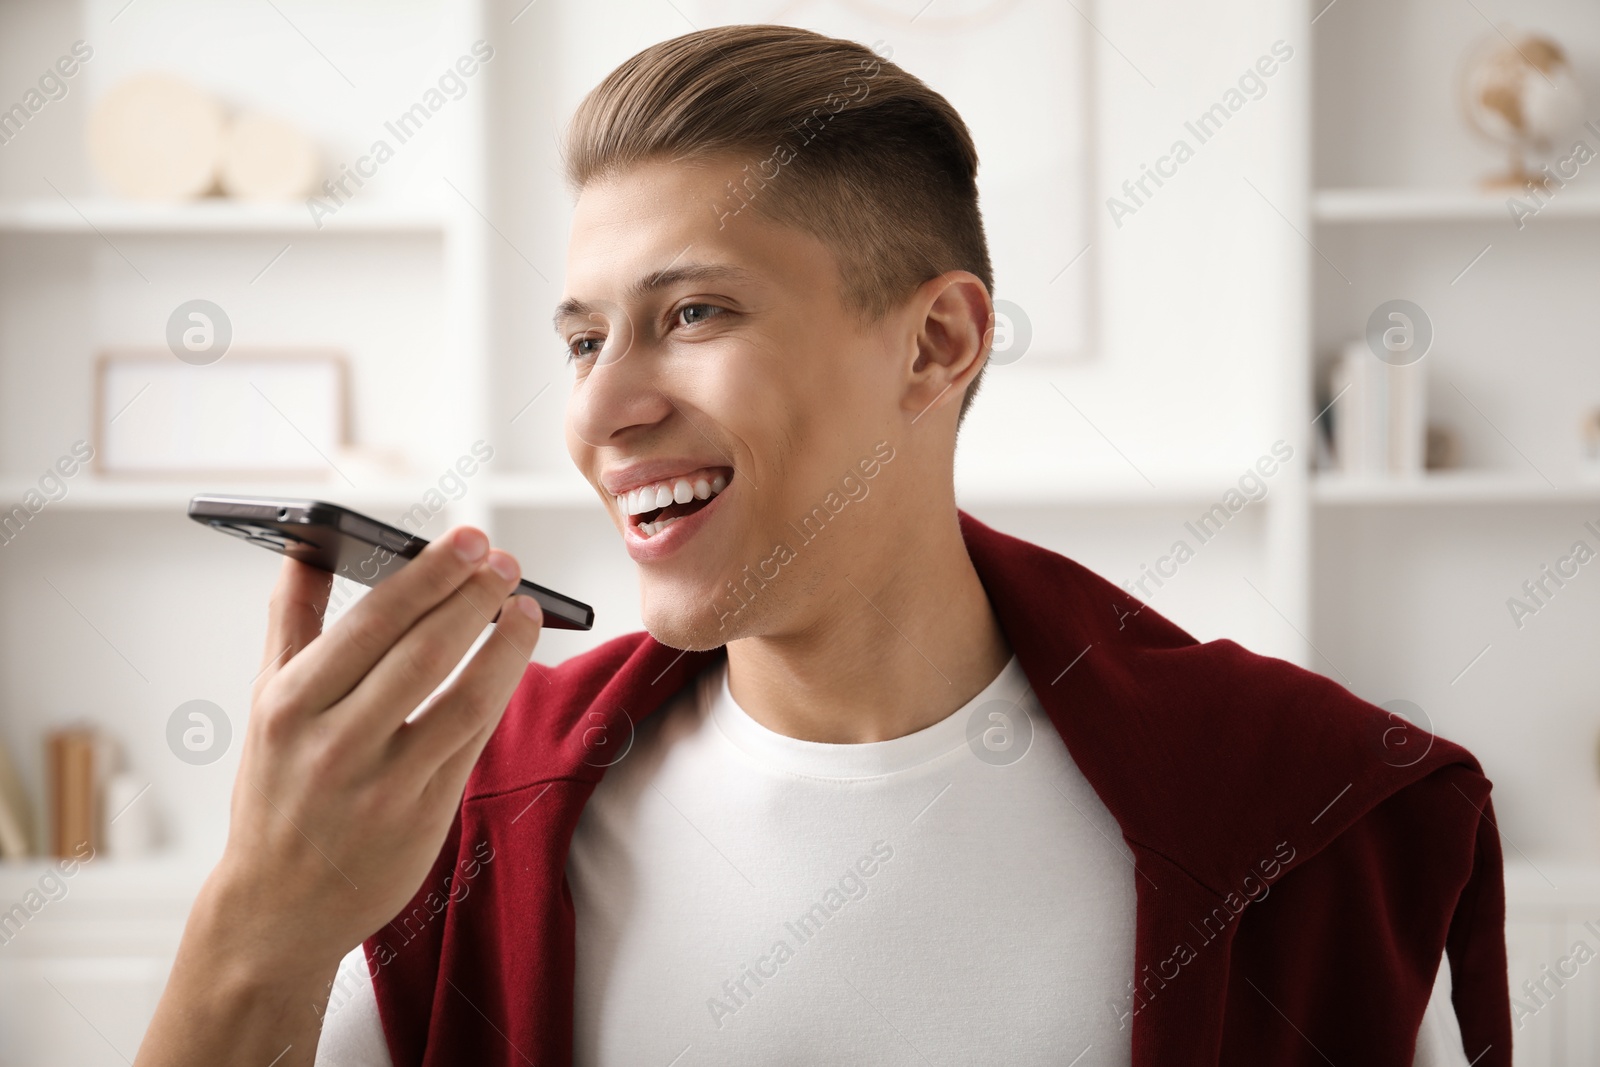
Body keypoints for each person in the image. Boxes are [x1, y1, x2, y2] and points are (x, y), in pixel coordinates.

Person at [135, 25, 1510, 1067]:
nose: (603, 410)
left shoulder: (1305, 821)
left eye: (693, 315)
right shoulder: (457, 818)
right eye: (581, 339)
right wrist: (264, 917)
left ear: (936, 342)